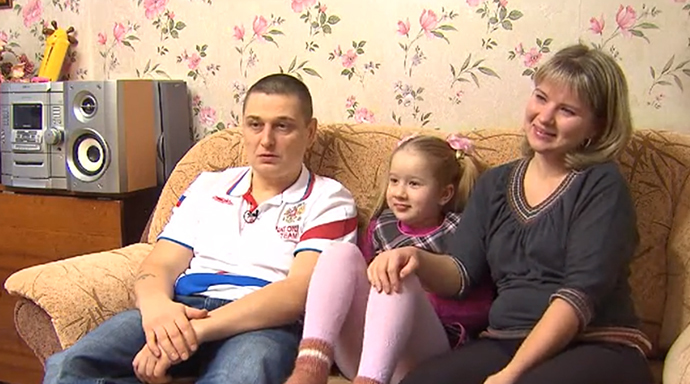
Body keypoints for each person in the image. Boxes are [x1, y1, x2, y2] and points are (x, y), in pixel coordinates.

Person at [42, 73, 359, 384]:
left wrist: (195, 331)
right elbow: (160, 263)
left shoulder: (329, 199)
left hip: (263, 324)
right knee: (67, 366)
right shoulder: (208, 185)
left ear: (311, 132)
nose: (266, 140)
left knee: (242, 375)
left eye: (282, 126)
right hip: (181, 309)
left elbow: (297, 294)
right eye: (255, 124)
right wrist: (158, 312)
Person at [398, 44, 654, 384]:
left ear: (597, 127)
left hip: (597, 344)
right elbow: (460, 274)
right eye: (541, 97)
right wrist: (415, 258)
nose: (544, 117)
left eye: (567, 110)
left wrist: (511, 375)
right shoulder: (494, 183)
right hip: (506, 341)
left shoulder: (601, 184)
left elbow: (579, 297)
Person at [285, 133, 495, 384]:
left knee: (399, 274)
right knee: (339, 252)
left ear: (444, 194)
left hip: (424, 359)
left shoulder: (459, 231)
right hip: (368, 355)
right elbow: (356, 287)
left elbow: (482, 307)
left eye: (414, 184)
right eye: (394, 181)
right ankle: (310, 367)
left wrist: (422, 298)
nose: (399, 193)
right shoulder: (380, 227)